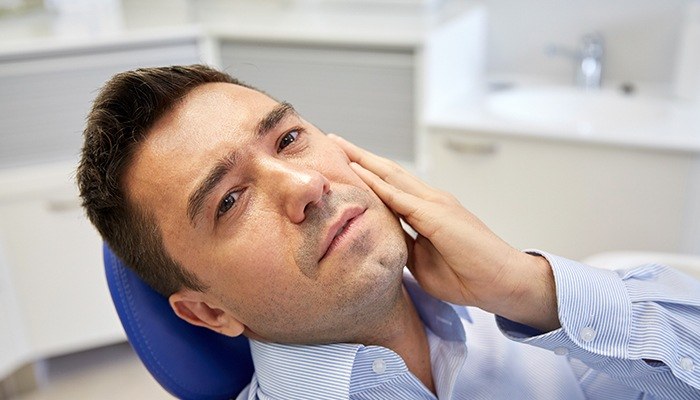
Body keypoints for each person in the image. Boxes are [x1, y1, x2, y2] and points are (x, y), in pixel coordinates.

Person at [77, 64, 700, 399]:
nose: (304, 186)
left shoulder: (533, 319)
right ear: (210, 313)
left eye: (289, 140)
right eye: (230, 200)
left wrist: (527, 287)